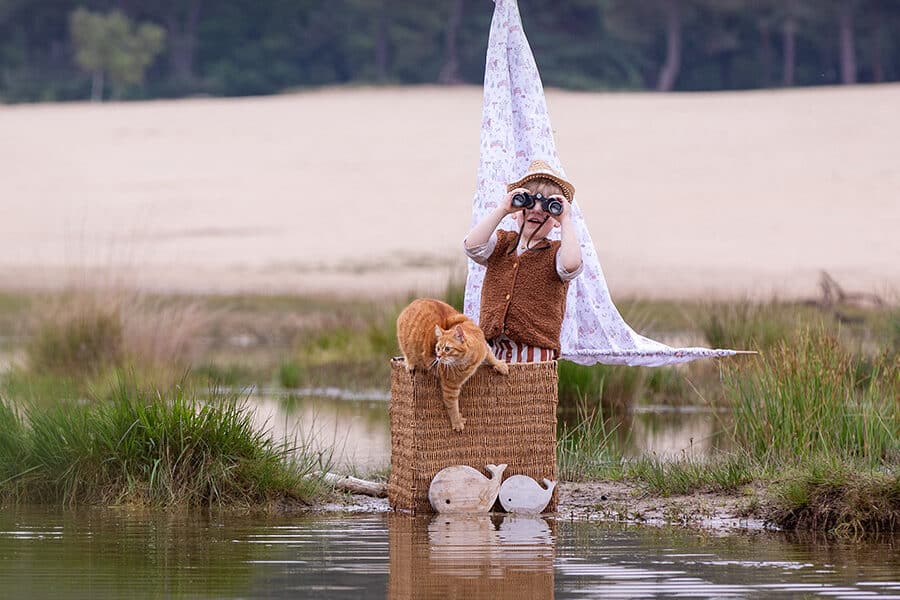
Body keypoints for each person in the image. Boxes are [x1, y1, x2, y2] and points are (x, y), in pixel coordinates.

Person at [464, 160, 583, 363]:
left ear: (554, 218)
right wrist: (502, 209)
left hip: (536, 353)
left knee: (530, 396)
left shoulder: (555, 253)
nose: (536, 209)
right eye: (528, 201)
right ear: (517, 209)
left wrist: (565, 219)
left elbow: (571, 265)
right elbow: (472, 246)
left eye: (547, 206)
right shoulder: (502, 243)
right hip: (495, 352)